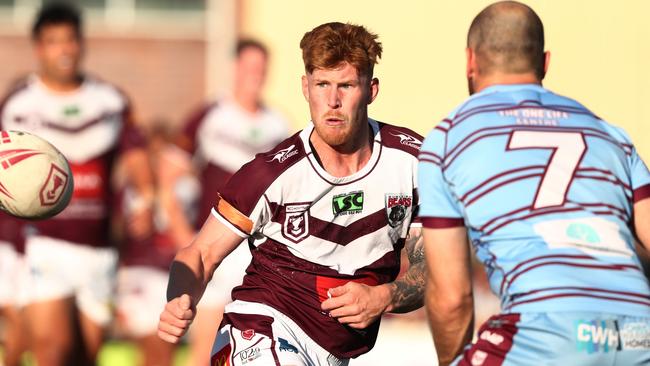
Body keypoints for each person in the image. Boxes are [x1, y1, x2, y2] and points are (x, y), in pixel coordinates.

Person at [158, 22, 427, 365]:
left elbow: (434, 270)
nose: (332, 101)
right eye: (322, 85)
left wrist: (385, 297)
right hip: (263, 329)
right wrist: (179, 297)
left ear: (371, 90)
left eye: (346, 85)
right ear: (305, 87)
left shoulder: (413, 162)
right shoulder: (270, 173)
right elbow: (201, 253)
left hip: (334, 353)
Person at [418, 2, 650, 365]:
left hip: (543, 332)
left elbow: (452, 299)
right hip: (638, 335)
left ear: (469, 61)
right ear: (544, 63)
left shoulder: (447, 139)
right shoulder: (611, 135)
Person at [0, 2, 153, 365]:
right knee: (53, 351)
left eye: (70, 40)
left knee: (84, 357)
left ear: (81, 44)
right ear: (39, 48)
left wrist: (146, 199)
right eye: (54, 41)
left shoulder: (109, 100)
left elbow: (135, 154)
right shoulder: (20, 103)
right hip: (42, 244)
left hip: (98, 250)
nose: (64, 49)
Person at [162, 38, 290, 365]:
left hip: (259, 250)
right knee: (207, 346)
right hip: (216, 244)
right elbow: (167, 181)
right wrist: (186, 240)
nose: (255, 75)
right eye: (248, 67)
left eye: (261, 68)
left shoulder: (278, 124)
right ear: (234, 68)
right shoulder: (208, 116)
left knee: (248, 344)